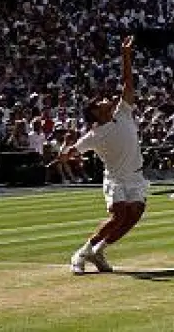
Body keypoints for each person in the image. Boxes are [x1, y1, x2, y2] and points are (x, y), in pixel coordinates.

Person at [70, 36, 145, 275]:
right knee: (119, 214)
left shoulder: (123, 112)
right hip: (114, 179)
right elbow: (73, 150)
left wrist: (126, 55)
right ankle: (81, 254)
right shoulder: (93, 135)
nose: (106, 100)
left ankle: (99, 250)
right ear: (94, 112)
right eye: (100, 102)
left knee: (134, 215)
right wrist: (65, 155)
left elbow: (128, 83)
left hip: (135, 176)